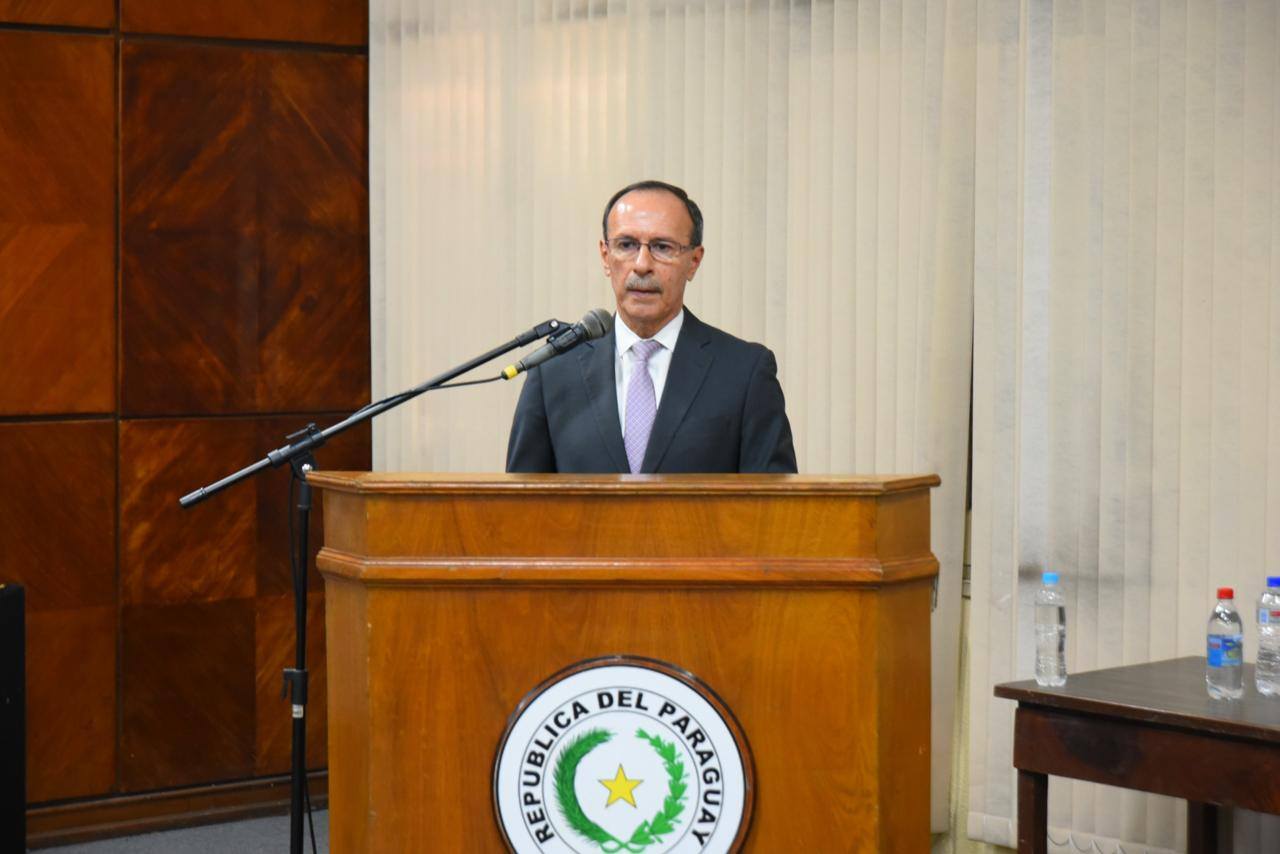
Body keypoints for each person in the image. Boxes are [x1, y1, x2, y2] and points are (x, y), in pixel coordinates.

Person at [506, 180, 797, 474]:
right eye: (626, 245)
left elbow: (773, 500)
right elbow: (520, 497)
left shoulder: (744, 372)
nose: (642, 264)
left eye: (662, 247)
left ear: (694, 261)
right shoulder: (553, 371)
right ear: (605, 256)